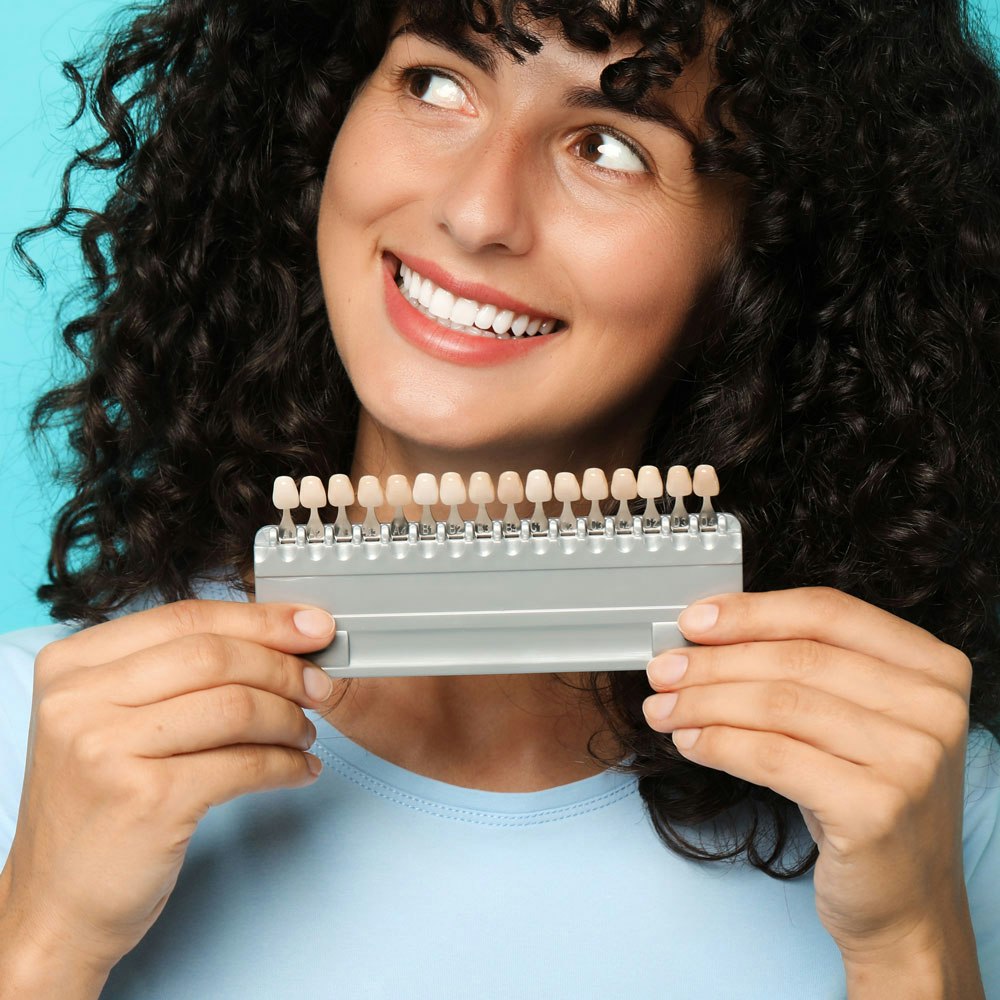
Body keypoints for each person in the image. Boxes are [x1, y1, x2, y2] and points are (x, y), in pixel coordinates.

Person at [2, 0, 999, 996]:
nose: (478, 212)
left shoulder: (919, 805)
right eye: (437, 83)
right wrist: (42, 935)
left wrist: (911, 942)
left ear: (759, 266)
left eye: (608, 146)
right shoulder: (35, 744)